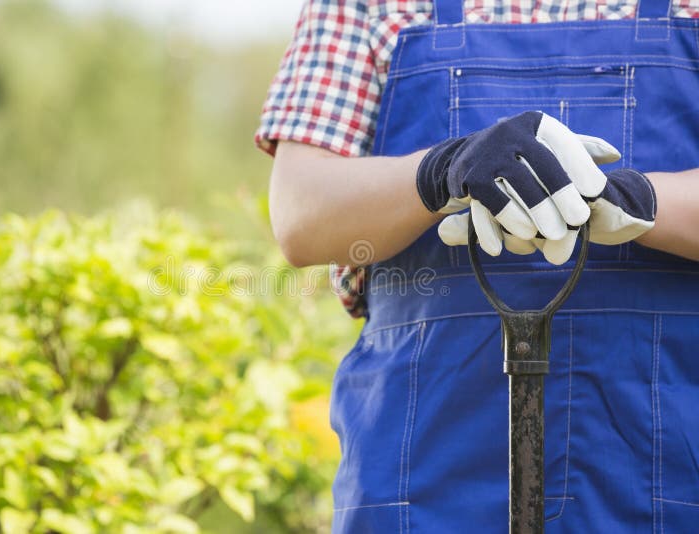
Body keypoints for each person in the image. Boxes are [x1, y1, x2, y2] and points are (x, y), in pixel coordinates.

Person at [256, 1, 699, 531]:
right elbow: (303, 214)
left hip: (671, 469)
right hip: (422, 477)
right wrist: (440, 172)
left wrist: (637, 199)